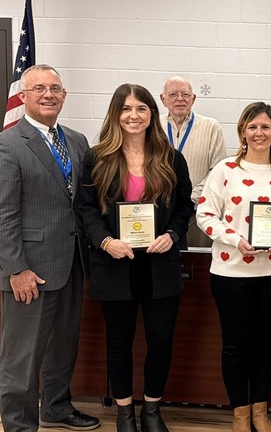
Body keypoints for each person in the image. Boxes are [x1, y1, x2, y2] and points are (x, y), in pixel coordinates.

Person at [75, 84, 193, 432]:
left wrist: (172, 235)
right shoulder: (97, 158)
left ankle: (152, 411)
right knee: (119, 342)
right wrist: (105, 241)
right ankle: (125, 412)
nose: (133, 115)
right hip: (114, 264)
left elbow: (185, 207)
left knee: (160, 340)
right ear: (116, 114)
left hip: (160, 265)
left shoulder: (171, 158)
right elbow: (85, 209)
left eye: (141, 108)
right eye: (126, 109)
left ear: (152, 114)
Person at [0, 64, 100, 431]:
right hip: (30, 270)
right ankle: (17, 424)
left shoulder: (76, 140)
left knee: (63, 346)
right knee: (21, 357)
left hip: (72, 263)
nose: (48, 94)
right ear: (23, 97)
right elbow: (4, 214)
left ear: (64, 96)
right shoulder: (8, 144)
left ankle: (56, 407)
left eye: (55, 88)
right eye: (39, 88)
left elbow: (82, 202)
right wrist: (16, 269)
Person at [196, 102, 271, 432]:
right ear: (243, 131)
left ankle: (260, 411)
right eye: (252, 126)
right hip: (231, 273)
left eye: (265, 127)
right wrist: (235, 239)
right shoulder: (225, 170)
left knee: (265, 344)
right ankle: (240, 414)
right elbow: (204, 215)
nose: (259, 133)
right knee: (235, 345)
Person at [160, 75, 226, 247]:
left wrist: (190, 198)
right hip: (160, 210)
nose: (180, 99)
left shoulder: (211, 126)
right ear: (163, 99)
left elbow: (217, 170)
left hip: (197, 212)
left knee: (195, 266)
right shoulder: (153, 127)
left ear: (193, 98)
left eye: (185, 94)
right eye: (173, 94)